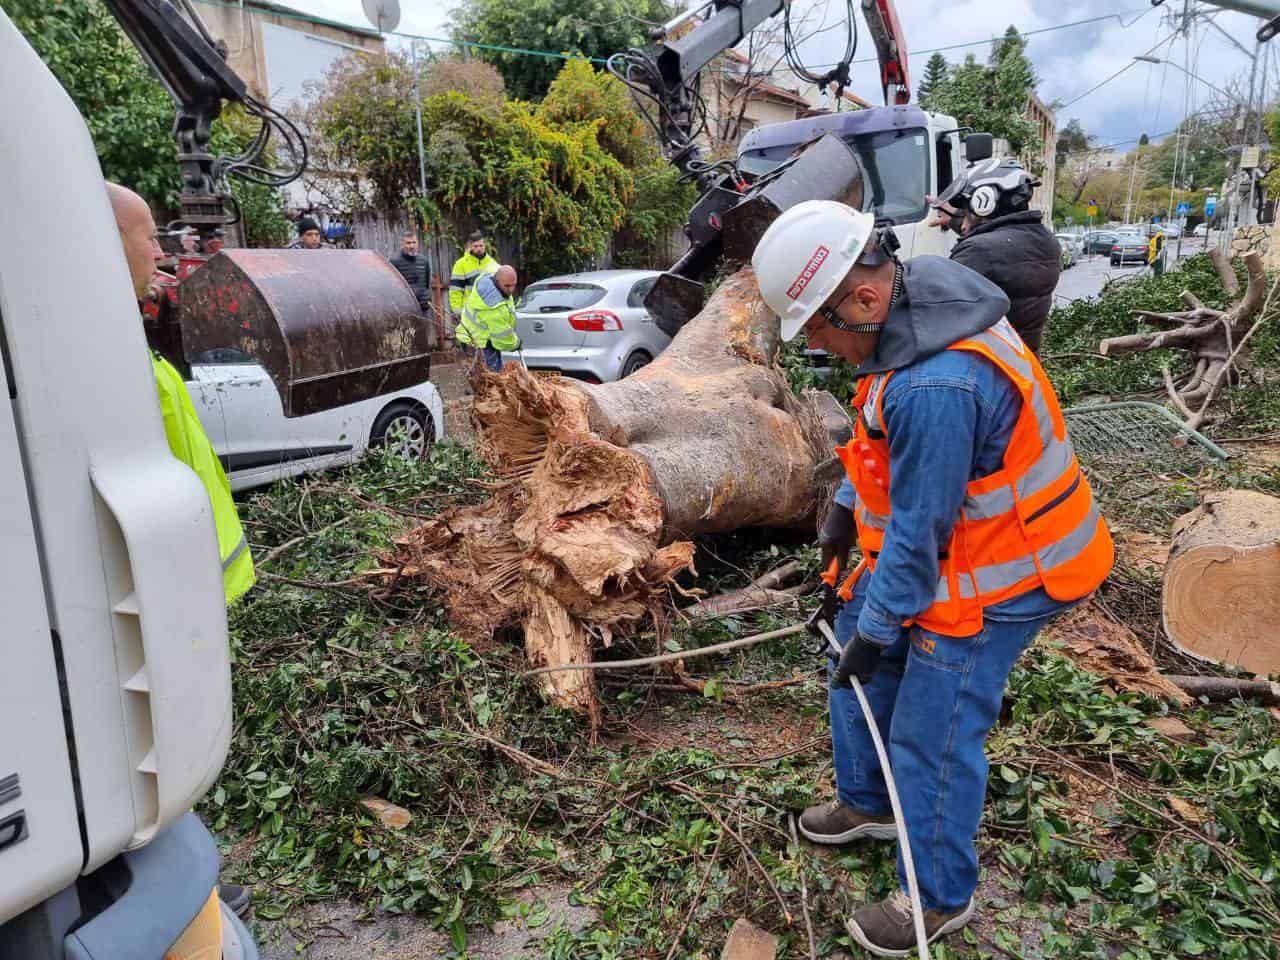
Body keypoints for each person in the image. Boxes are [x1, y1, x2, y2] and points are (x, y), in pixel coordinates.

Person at [751, 201, 1114, 956]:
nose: (816, 345)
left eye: (817, 327)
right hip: (951, 544)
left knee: (931, 731)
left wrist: (881, 632)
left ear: (864, 298)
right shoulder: (909, 309)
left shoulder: (937, 385)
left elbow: (919, 540)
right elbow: (879, 443)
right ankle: (868, 803)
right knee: (851, 653)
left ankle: (939, 895)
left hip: (1013, 570)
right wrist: (842, 517)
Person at [107, 183, 256, 920]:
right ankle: (176, 893)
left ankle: (189, 879)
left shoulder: (122, 333)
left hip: (190, 584)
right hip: (160, 597)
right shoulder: (94, 354)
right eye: (147, 238)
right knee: (159, 745)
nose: (162, 253)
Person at [930, 158, 1062, 355]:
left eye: (967, 211)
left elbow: (936, 313)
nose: (964, 223)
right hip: (1024, 362)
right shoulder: (1046, 241)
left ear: (985, 201)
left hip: (988, 366)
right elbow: (997, 241)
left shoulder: (978, 252)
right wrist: (958, 219)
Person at [455, 264, 519, 372]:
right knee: (491, 379)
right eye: (507, 286)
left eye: (514, 285)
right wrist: (516, 344)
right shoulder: (493, 305)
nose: (511, 290)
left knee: (479, 376)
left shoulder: (489, 280)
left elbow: (491, 266)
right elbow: (502, 337)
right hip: (479, 343)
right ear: (497, 281)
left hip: (479, 338)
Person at [448, 230, 499, 321]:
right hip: (469, 313)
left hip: (489, 312)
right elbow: (455, 291)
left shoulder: (492, 263)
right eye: (475, 246)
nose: (479, 248)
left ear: (485, 246)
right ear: (470, 246)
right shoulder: (461, 264)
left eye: (481, 246)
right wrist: (458, 313)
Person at [389, 229, 432, 316]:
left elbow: (427, 284)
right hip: (404, 310)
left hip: (423, 309)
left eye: (414, 242)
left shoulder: (424, 261)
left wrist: (426, 298)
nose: (412, 246)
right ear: (402, 244)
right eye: (408, 243)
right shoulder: (394, 262)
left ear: (418, 243)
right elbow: (391, 288)